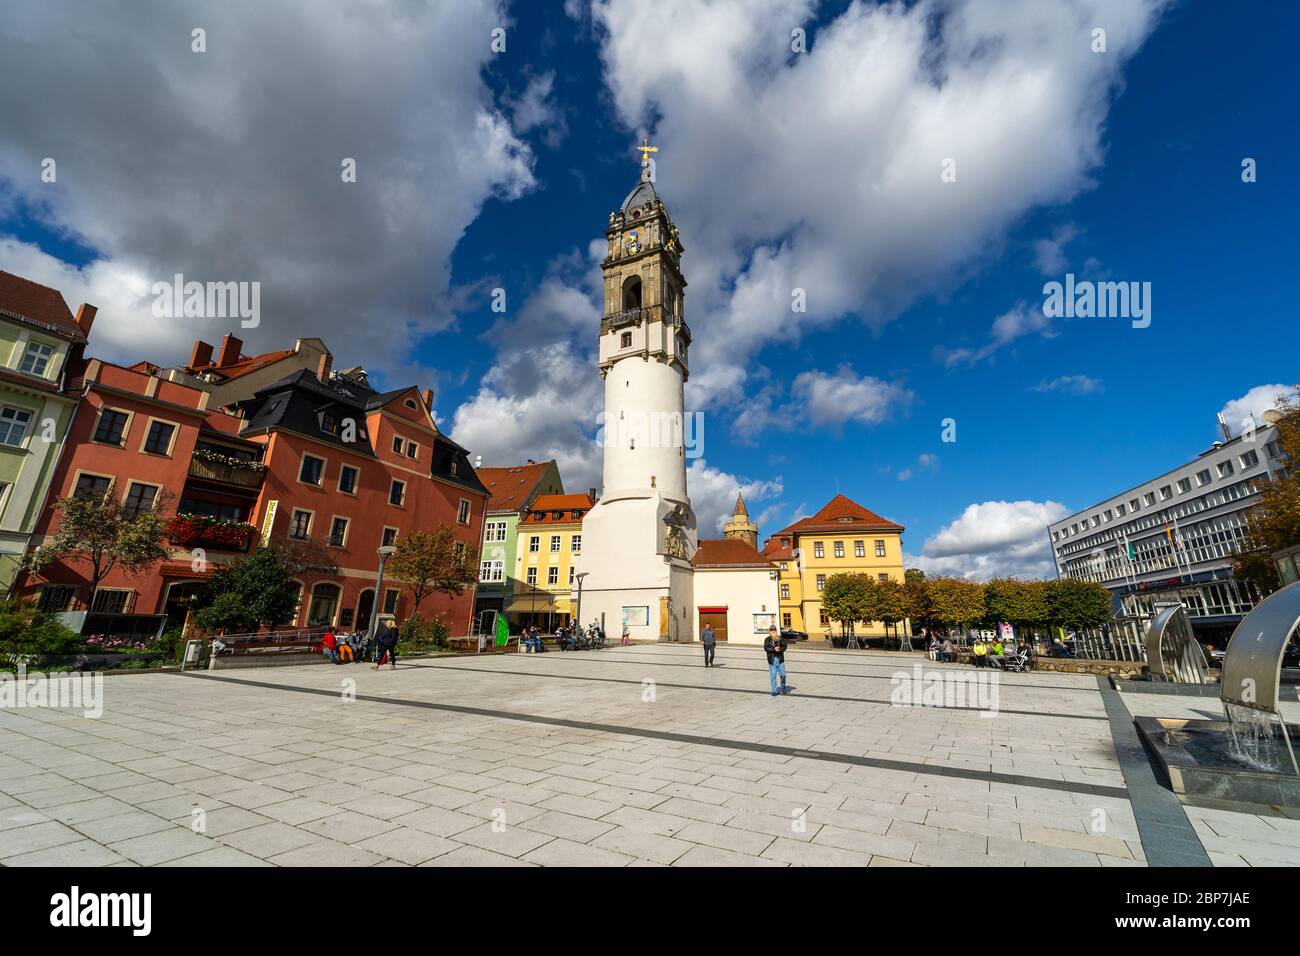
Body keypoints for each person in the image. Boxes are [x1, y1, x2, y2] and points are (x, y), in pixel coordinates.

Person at [763, 625, 789, 696]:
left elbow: (785, 646)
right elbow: (766, 648)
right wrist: (773, 649)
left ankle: (783, 688)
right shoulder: (767, 639)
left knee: (783, 675)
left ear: (776, 630)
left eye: (774, 629)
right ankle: (774, 690)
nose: (773, 631)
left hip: (780, 659)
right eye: (771, 629)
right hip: (772, 660)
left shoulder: (780, 638)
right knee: (773, 676)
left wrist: (780, 649)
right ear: (769, 631)